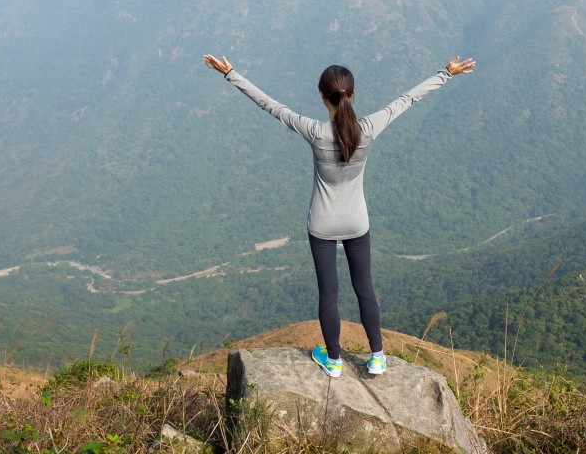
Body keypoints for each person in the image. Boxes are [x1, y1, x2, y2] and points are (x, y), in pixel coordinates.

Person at [203, 53, 476, 377]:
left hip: (322, 224)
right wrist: (446, 72)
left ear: (323, 96)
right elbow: (408, 100)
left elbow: (270, 105)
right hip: (357, 223)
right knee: (364, 288)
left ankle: (333, 360)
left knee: (328, 293)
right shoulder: (368, 129)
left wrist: (230, 73)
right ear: (353, 95)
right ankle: (377, 357)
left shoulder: (316, 132)